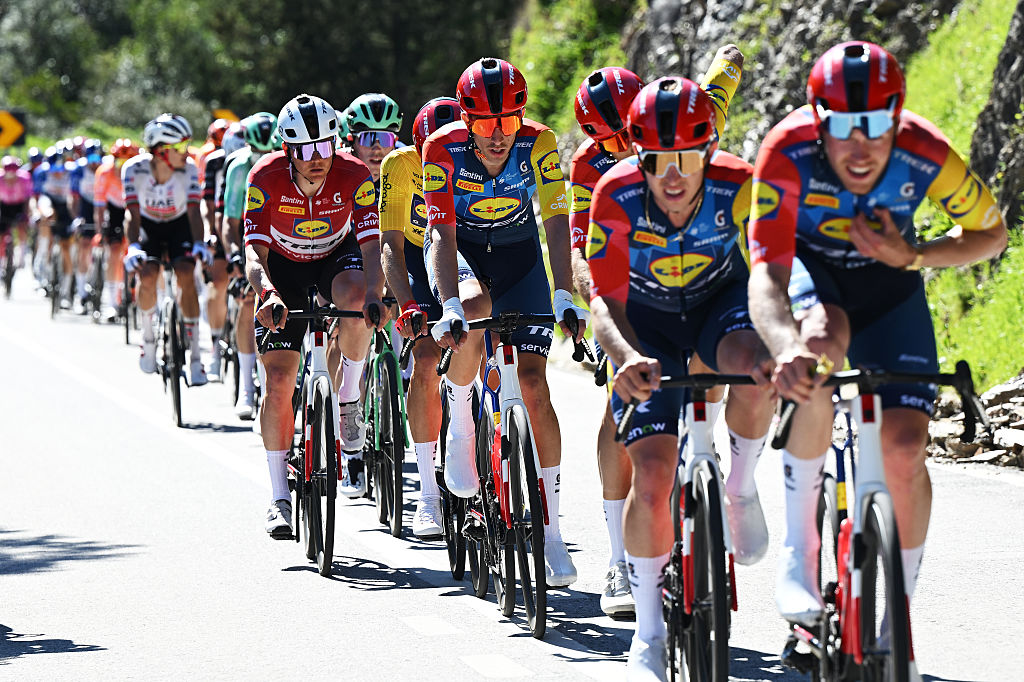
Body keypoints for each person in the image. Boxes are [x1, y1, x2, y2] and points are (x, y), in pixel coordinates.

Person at [746, 41, 1007, 671]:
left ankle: (900, 619)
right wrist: (782, 348)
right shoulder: (787, 152)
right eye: (840, 126)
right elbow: (766, 276)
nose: (858, 146)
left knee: (905, 449)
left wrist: (913, 257)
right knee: (814, 348)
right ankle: (801, 558)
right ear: (816, 120)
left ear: (897, 118)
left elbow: (990, 234)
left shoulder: (923, 150)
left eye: (873, 126)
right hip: (815, 283)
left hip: (892, 288)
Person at [587, 77, 775, 680]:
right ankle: (646, 632)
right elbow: (603, 303)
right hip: (647, 320)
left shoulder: (740, 184)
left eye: (689, 157)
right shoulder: (614, 195)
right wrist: (623, 359)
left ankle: (739, 487)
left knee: (755, 368)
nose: (673, 176)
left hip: (720, 304)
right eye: (657, 161)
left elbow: (779, 269)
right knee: (654, 473)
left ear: (711, 150)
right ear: (636, 157)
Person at [422, 57, 589, 587]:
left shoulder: (538, 144)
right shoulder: (440, 150)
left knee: (536, 386)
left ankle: (552, 531)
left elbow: (558, 220)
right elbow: (443, 235)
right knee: (472, 309)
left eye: (510, 120)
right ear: (467, 120)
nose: (499, 135)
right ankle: (461, 413)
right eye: (487, 123)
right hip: (461, 253)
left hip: (520, 256)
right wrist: (448, 303)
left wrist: (564, 292)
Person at [244, 94, 387, 537]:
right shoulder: (264, 177)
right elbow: (253, 250)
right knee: (281, 381)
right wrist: (266, 292)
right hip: (281, 269)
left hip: (335, 257)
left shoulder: (354, 173)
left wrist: (377, 296)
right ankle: (278, 497)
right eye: (304, 151)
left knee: (357, 301)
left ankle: (348, 400)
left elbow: (369, 244)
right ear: (288, 151)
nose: (316, 159)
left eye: (324, 146)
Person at [379, 96, 462, 537]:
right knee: (426, 362)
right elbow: (389, 242)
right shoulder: (398, 165)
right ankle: (428, 494)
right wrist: (407, 301)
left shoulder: (471, 151)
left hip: (464, 247)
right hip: (416, 250)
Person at [122, 113, 212, 385]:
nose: (187, 153)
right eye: (181, 148)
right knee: (146, 274)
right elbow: (132, 214)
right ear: (162, 152)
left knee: (186, 272)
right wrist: (134, 246)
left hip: (179, 225)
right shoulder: (133, 170)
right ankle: (147, 338)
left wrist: (200, 242)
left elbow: (195, 212)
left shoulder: (188, 170)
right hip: (148, 224)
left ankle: (195, 355)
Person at [222, 111, 281, 419]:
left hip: (284, 242)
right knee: (249, 302)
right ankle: (247, 386)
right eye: (257, 152)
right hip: (252, 243)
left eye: (268, 152)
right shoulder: (238, 167)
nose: (263, 158)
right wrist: (234, 253)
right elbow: (231, 221)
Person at [93, 138, 139, 320]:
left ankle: (132, 291)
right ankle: (112, 302)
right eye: (120, 162)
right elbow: (99, 207)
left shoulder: (139, 172)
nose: (123, 167)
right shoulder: (104, 173)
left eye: (128, 162)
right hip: (113, 210)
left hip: (133, 207)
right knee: (113, 251)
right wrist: (100, 231)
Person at [68, 139, 104, 312]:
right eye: (91, 159)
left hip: (102, 206)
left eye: (98, 158)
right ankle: (81, 294)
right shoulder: (78, 169)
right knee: (83, 247)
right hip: (84, 207)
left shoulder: (105, 170)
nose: (95, 163)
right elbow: (73, 199)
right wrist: (77, 218)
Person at [345, 93, 403, 186]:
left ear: (394, 143)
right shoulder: (331, 171)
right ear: (351, 141)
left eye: (385, 139)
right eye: (367, 139)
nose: (377, 149)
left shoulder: (405, 173)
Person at [1, 156, 33, 272]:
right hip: (4, 205)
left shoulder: (24, 178)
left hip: (19, 205)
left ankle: (22, 254)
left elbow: (27, 198)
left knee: (22, 225)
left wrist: (26, 214)